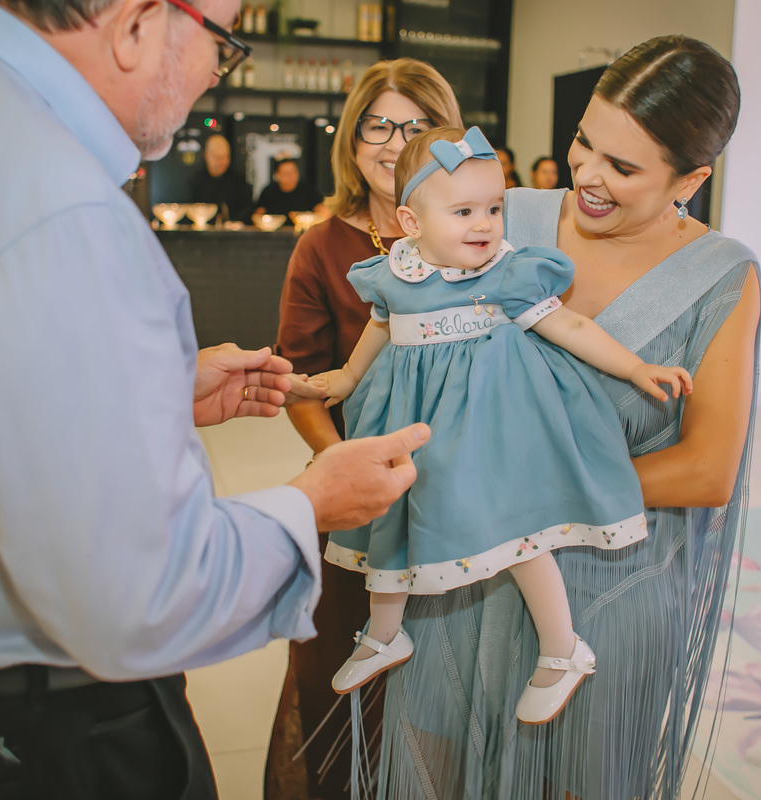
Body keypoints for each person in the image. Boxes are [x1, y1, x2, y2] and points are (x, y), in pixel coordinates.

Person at [0, 1, 430, 798]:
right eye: (220, 47)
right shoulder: (57, 207)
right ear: (141, 23)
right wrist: (309, 503)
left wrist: (138, 390)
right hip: (31, 731)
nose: (212, 81)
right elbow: (147, 594)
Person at [371, 35, 761, 800]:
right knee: (437, 764)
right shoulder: (500, 214)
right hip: (470, 572)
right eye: (585, 141)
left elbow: (709, 468)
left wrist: (533, 491)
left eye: (623, 167)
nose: (586, 175)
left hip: (610, 593)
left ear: (692, 178)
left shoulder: (724, 275)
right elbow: (410, 346)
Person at [308, 125, 692, 726]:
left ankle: (562, 648)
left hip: (488, 427)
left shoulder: (506, 273)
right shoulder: (393, 273)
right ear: (411, 223)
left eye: (494, 207)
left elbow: (570, 328)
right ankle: (387, 633)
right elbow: (379, 330)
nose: (485, 224)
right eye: (463, 211)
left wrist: (637, 367)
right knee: (393, 516)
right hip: (413, 422)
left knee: (520, 535)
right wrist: (346, 380)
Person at [267, 57, 462, 800]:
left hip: (460, 504)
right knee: (349, 688)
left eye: (415, 125)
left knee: (448, 692)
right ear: (353, 139)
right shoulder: (322, 246)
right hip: (360, 505)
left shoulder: (472, 234)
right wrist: (342, 462)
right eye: (379, 124)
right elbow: (302, 380)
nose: (394, 141)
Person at [189, 133, 254, 224]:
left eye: (226, 157)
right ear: (206, 156)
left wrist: (234, 222)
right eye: (218, 158)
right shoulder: (196, 180)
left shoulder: (239, 179)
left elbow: (248, 208)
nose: (223, 162)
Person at [252, 157, 326, 221]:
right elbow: (258, 215)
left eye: (294, 172)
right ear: (277, 175)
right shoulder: (268, 191)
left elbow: (323, 211)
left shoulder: (307, 190)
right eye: (286, 173)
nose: (291, 176)